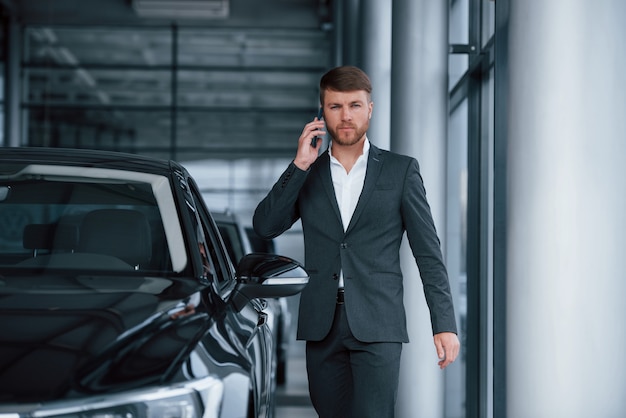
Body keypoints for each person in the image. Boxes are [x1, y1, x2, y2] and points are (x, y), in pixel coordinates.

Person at [253, 65, 459, 418]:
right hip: (322, 325)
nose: (346, 116)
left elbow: (428, 252)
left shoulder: (400, 170)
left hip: (379, 324)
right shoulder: (309, 174)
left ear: (370, 109)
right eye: (335, 106)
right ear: (322, 113)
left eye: (354, 105)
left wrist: (444, 323)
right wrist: (299, 165)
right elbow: (265, 226)